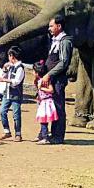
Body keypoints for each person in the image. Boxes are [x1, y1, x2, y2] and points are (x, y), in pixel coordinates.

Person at [41, 15, 73, 144]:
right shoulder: (55, 40)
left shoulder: (65, 41)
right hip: (51, 78)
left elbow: (64, 62)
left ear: (59, 26)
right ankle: (47, 134)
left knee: (58, 107)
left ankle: (58, 136)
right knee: (50, 106)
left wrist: (49, 74)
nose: (49, 28)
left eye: (51, 26)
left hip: (58, 79)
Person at [0, 46, 25, 142]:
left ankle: (18, 134)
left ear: (12, 56)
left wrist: (4, 80)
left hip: (16, 94)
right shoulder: (10, 67)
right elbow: (3, 75)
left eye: (9, 56)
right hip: (7, 93)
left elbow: (16, 81)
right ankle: (7, 131)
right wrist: (4, 69)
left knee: (16, 114)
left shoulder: (20, 68)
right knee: (2, 111)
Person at [33, 60, 58, 145]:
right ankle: (41, 135)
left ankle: (45, 137)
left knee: (43, 121)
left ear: (37, 72)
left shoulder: (44, 81)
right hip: (42, 102)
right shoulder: (39, 80)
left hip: (46, 102)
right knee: (42, 120)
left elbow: (51, 90)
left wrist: (42, 88)